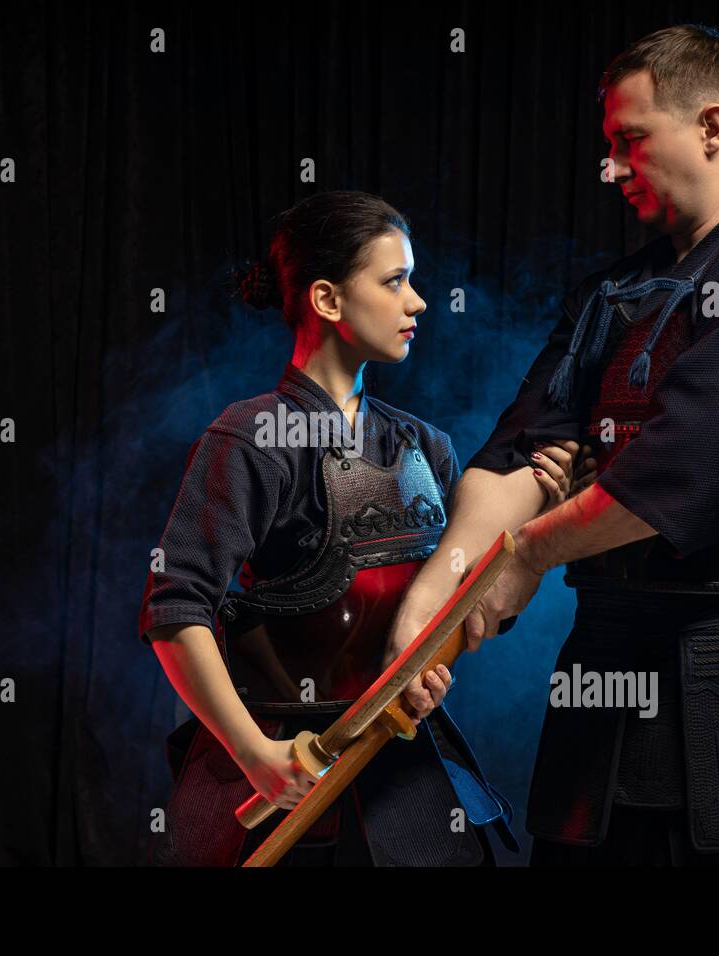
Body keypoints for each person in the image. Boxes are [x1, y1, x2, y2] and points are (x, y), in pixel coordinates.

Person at [385, 25, 719, 866]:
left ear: (713, 128)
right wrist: (434, 602)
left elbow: (682, 469)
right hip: (606, 674)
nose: (610, 167)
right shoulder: (608, 294)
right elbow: (517, 451)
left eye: (629, 140)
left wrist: (532, 550)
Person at [138, 190, 585, 866]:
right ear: (326, 299)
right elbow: (174, 611)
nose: (418, 302)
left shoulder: (424, 445)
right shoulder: (250, 439)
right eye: (394, 281)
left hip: (403, 775)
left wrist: (547, 525)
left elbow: (462, 611)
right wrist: (254, 752)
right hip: (284, 777)